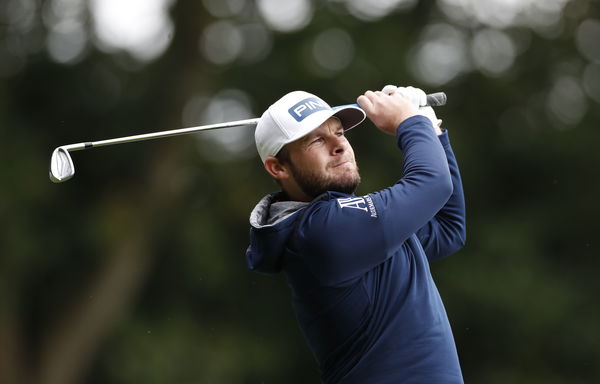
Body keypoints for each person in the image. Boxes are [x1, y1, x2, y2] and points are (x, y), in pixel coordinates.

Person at [245, 86, 466, 383]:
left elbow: (447, 228)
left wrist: (429, 125)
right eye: (316, 140)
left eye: (339, 133)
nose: (338, 146)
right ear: (278, 167)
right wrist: (408, 121)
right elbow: (432, 184)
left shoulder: (354, 229)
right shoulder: (322, 231)